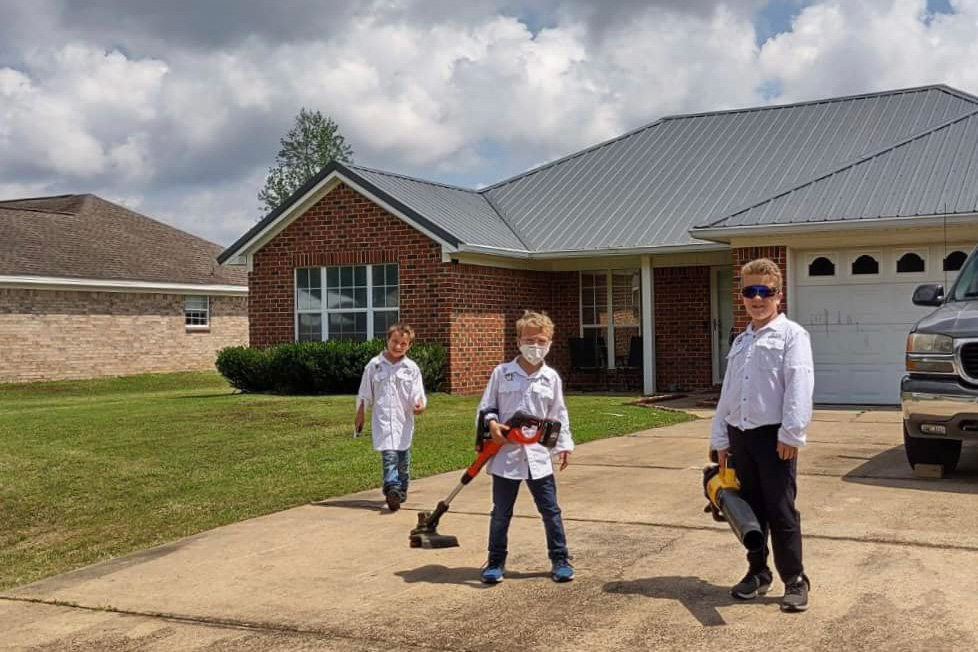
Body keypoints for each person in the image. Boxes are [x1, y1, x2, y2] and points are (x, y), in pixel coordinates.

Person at [710, 257, 814, 612]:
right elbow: (729, 393)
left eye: (764, 292)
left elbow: (799, 385)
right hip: (740, 436)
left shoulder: (792, 336)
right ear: (741, 296)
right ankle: (758, 573)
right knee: (749, 512)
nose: (757, 299)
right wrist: (721, 439)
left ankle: (795, 579)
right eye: (749, 292)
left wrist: (792, 433)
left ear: (778, 295)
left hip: (775, 439)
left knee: (780, 510)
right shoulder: (741, 341)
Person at [476, 310, 575, 584]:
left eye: (541, 341)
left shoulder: (551, 378)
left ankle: (560, 559)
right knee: (501, 512)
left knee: (550, 510)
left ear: (550, 342)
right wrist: (492, 425)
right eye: (529, 340)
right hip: (506, 454)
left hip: (538, 455)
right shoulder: (502, 373)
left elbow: (559, 414)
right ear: (518, 340)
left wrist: (563, 446)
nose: (535, 346)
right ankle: (495, 561)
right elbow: (487, 407)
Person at [356, 323, 427, 512]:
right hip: (383, 421)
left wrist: (419, 404)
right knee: (389, 457)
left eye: (403, 344)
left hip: (403, 422)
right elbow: (365, 393)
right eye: (394, 342)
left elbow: (417, 393)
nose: (397, 347)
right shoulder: (375, 365)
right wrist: (360, 413)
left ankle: (401, 491)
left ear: (409, 345)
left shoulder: (411, 369)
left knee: (403, 460)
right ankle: (392, 488)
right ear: (387, 340)